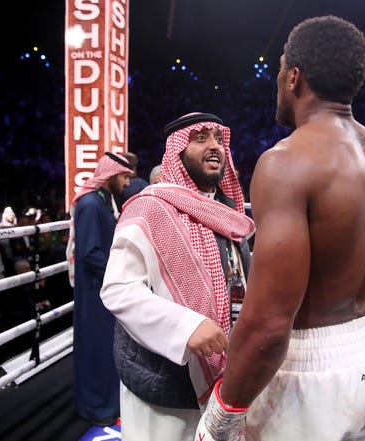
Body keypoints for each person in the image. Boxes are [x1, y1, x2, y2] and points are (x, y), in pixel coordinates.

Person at [196, 15, 365, 441]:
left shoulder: (286, 161)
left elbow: (270, 323)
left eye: (279, 71)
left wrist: (222, 417)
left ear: (294, 77)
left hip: (309, 372)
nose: (277, 82)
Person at [100, 112, 254, 441]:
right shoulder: (149, 208)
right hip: (165, 380)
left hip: (225, 374)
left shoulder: (225, 212)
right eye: (201, 138)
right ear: (178, 151)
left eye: (218, 138)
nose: (214, 146)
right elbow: (118, 290)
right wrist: (185, 326)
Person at [66, 151, 132, 426]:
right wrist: (123, 272)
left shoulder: (102, 202)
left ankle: (104, 404)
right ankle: (94, 408)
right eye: (125, 176)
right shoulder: (92, 204)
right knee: (94, 348)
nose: (128, 183)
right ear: (112, 174)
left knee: (104, 348)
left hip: (103, 287)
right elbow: (90, 253)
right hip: (95, 291)